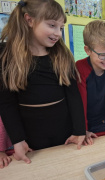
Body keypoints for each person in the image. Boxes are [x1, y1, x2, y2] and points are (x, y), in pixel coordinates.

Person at [0, 0, 86, 164]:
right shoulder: (6, 56)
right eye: (52, 25)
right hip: (31, 135)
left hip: (64, 131)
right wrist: (17, 140)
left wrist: (79, 130)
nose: (58, 33)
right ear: (29, 20)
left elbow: (73, 95)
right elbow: (6, 103)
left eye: (61, 28)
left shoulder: (62, 55)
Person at [76, 20, 105, 142]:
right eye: (103, 55)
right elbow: (80, 102)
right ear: (88, 50)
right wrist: (83, 129)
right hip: (86, 128)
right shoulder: (80, 67)